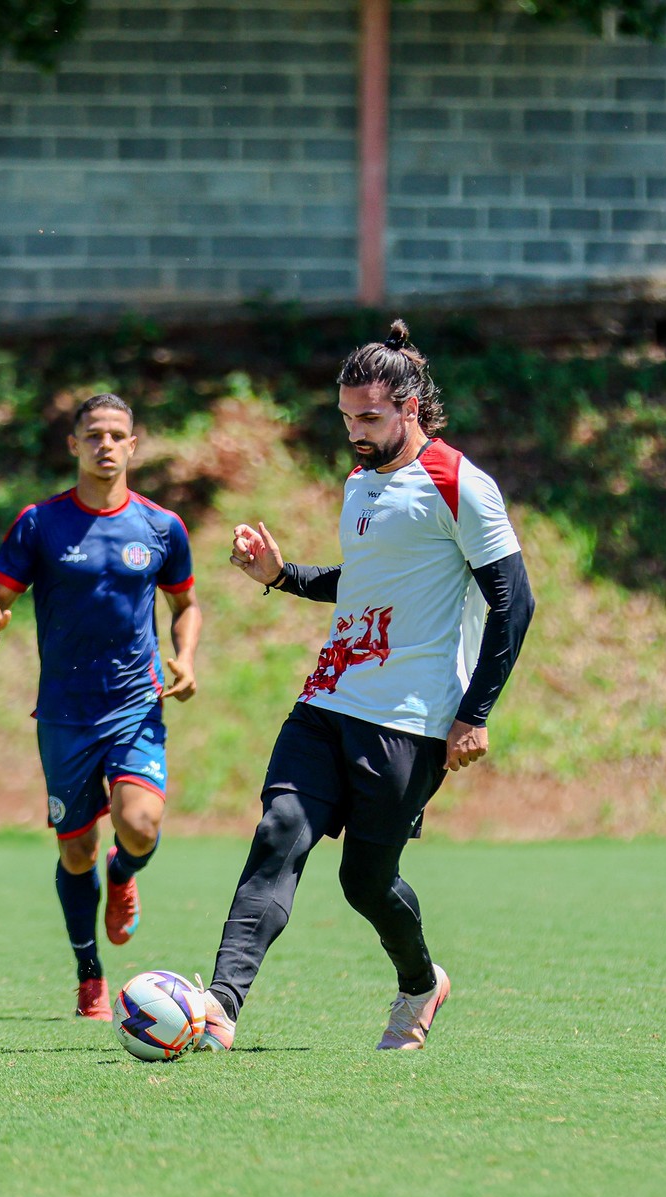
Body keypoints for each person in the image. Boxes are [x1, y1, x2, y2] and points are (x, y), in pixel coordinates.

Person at [193, 320, 535, 1052]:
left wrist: (473, 714)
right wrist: (282, 577)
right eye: (346, 418)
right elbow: (369, 585)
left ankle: (421, 983)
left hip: (411, 721)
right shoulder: (359, 482)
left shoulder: (458, 483)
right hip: (327, 699)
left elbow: (515, 600)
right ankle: (219, 1006)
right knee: (278, 832)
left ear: (410, 407)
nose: (355, 432)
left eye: (370, 418)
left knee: (365, 882)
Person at [0, 393, 200, 1020]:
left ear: (134, 446)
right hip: (64, 714)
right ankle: (89, 974)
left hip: (135, 702)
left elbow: (187, 605)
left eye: (117, 434)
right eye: (93, 434)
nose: (105, 444)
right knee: (74, 851)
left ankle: (124, 871)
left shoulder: (161, 527)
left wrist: (186, 657)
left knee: (141, 824)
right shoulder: (40, 523)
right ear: (73, 445)